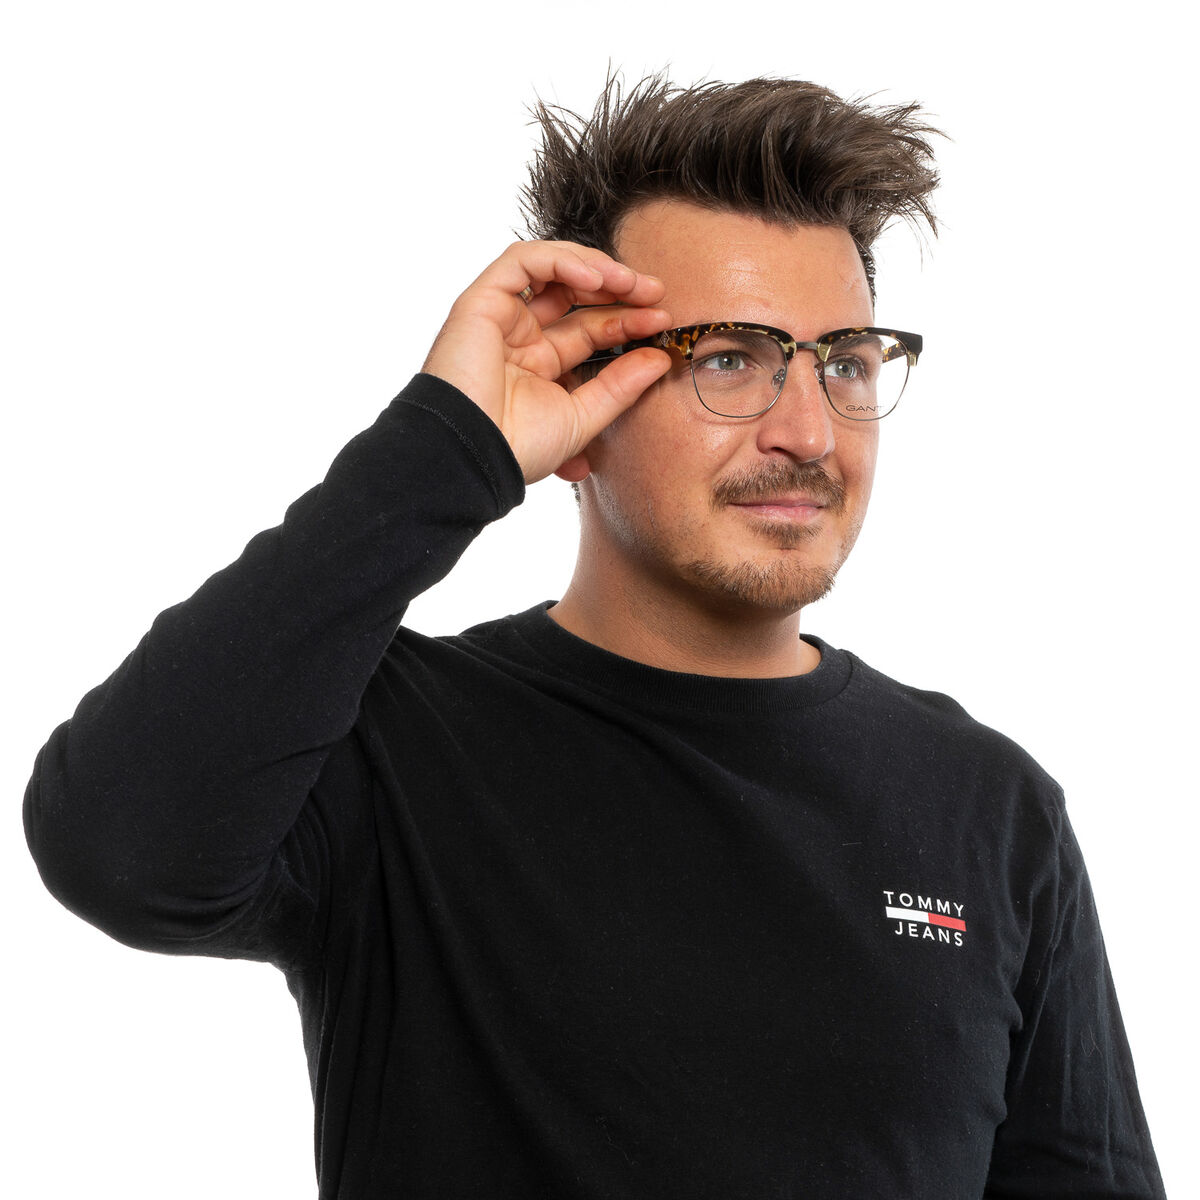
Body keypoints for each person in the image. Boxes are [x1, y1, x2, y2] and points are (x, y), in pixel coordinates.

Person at [23, 74, 1165, 1199]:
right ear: (579, 403)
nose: (809, 431)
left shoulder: (988, 806)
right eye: (730, 359)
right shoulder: (395, 746)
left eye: (846, 363)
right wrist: (449, 446)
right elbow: (117, 848)